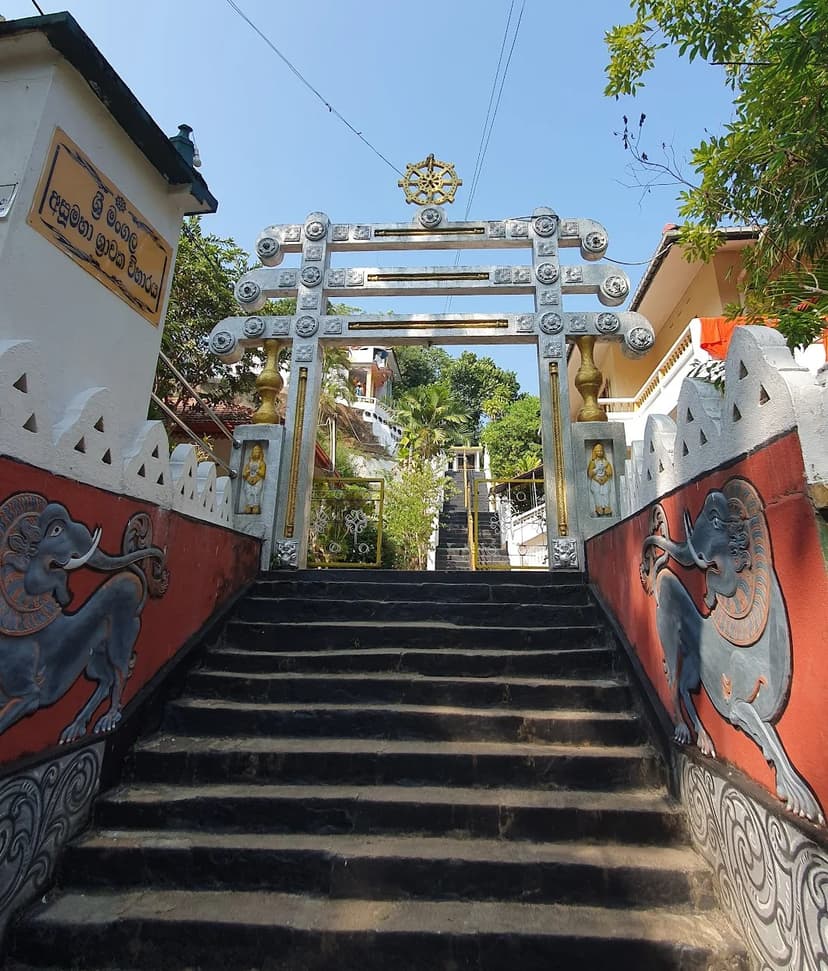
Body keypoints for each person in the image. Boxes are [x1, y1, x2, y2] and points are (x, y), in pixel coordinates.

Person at [587, 443, 613, 516]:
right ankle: (599, 508)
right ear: (595, 452)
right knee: (597, 494)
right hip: (596, 481)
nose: (599, 452)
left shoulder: (606, 462)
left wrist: (605, 477)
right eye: (597, 451)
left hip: (605, 481)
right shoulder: (593, 462)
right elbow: (590, 473)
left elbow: (610, 472)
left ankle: (607, 508)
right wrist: (597, 474)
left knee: (605, 493)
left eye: (601, 451)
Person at [241, 443, 266, 514]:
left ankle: (255, 506)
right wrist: (248, 472)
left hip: (257, 480)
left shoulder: (262, 463)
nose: (256, 453)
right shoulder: (249, 463)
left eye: (258, 452)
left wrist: (257, 470)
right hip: (249, 480)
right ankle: (248, 506)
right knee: (248, 493)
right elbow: (244, 474)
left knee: (256, 493)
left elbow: (263, 474)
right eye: (254, 451)